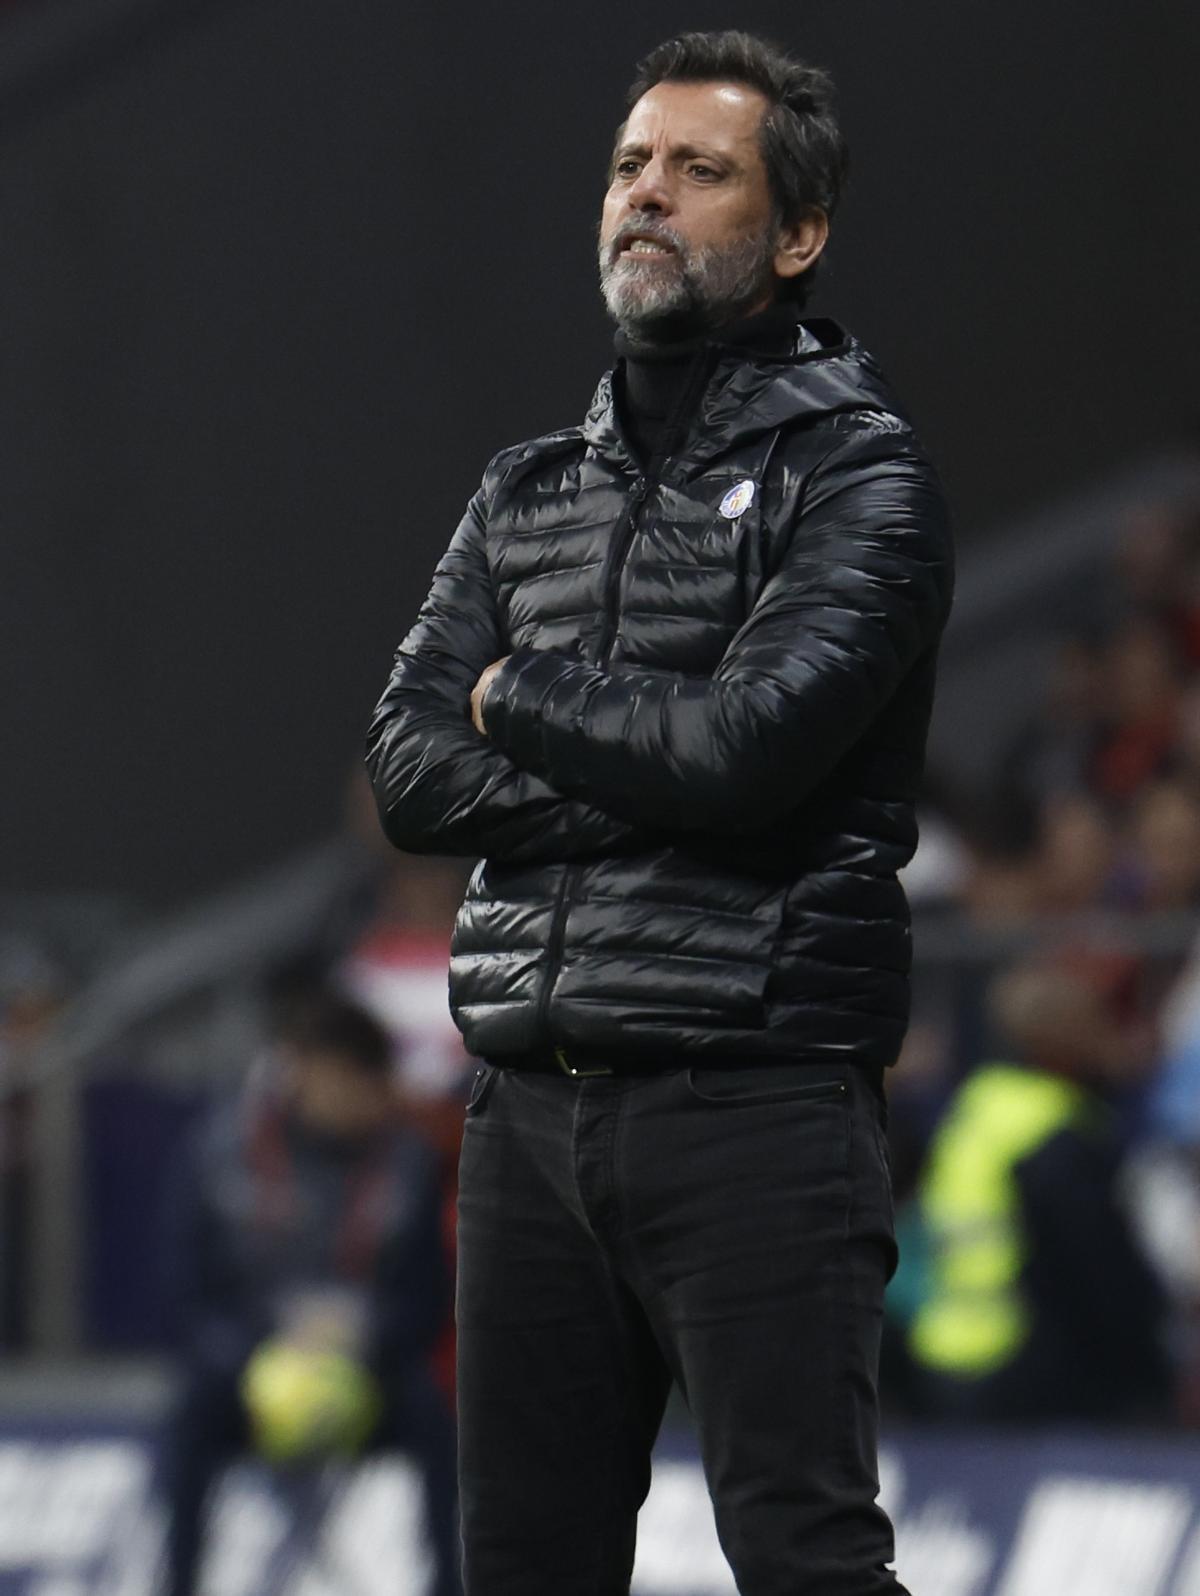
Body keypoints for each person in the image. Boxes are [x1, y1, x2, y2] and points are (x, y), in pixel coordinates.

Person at [367, 30, 953, 1596]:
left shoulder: (865, 478)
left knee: (806, 1560)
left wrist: (524, 696)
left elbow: (750, 752)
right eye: (633, 165)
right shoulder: (524, 490)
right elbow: (410, 769)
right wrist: (664, 772)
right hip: (526, 1120)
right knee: (524, 1569)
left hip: (753, 1097)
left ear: (798, 233)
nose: (648, 196)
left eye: (703, 172)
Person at [157, 990, 461, 1596]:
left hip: (370, 1371)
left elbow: (431, 1296)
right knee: (190, 1415)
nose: (347, 1096)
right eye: (333, 1077)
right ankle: (178, 1583)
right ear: (297, 1072)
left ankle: (449, 1584)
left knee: (438, 1417)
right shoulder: (222, 1152)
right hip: (249, 1367)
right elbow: (184, 1293)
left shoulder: (409, 1162)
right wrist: (260, 1349)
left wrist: (364, 1337)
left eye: (363, 1081)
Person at [908, 961, 1167, 1423]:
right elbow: (1095, 1276)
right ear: (1059, 1041)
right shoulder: (1056, 1135)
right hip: (1032, 1372)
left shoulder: (973, 1110)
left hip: (947, 1353)